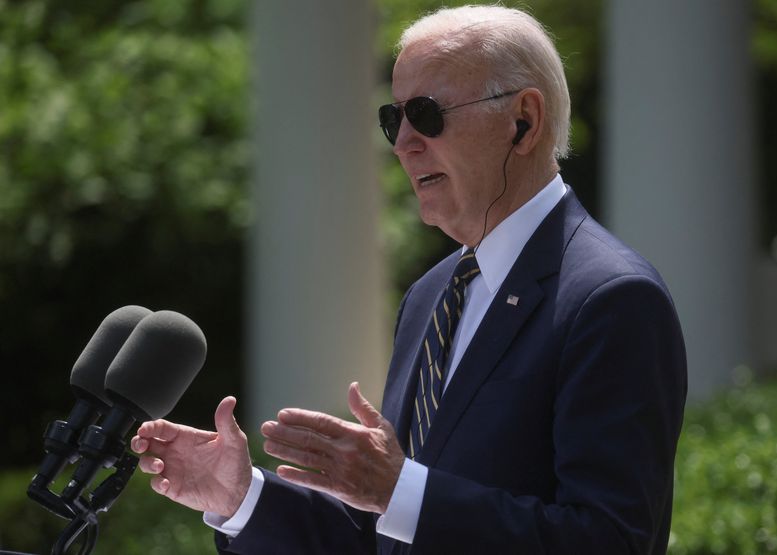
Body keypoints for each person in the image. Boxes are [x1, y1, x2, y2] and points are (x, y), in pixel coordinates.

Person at [131, 5, 687, 554]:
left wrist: (400, 490)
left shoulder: (611, 299)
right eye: (394, 119)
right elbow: (387, 537)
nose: (403, 144)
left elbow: (610, 541)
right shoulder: (430, 297)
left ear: (524, 121)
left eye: (426, 113)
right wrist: (242, 498)